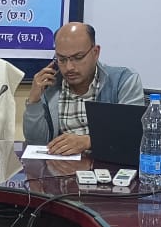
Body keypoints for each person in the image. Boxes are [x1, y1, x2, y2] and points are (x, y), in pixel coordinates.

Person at [24, 22, 146, 155]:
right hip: (62, 165)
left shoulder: (123, 81)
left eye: (78, 58)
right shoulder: (49, 86)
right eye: (62, 59)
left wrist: (89, 141)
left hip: (108, 164)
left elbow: (134, 135)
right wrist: (34, 101)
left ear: (95, 52)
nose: (69, 67)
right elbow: (36, 143)